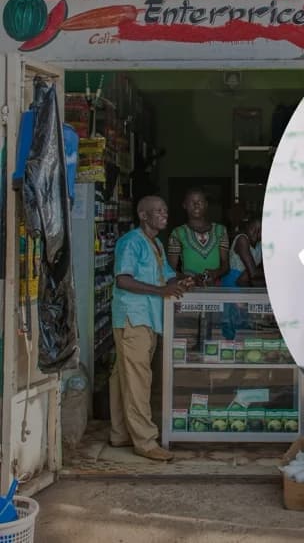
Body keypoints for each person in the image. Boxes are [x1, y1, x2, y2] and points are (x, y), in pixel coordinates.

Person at [110, 196, 193, 461]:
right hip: (134, 318)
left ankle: (120, 433)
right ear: (143, 215)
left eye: (166, 210)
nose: (164, 214)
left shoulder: (155, 243)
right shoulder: (131, 242)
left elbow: (167, 274)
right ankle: (145, 442)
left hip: (147, 318)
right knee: (138, 380)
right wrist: (162, 290)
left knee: (123, 377)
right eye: (158, 211)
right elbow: (123, 280)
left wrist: (183, 280)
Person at [167, 188, 230, 287]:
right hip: (188, 287)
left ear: (206, 204)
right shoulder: (177, 233)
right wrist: (192, 278)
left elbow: (226, 266)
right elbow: (170, 270)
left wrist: (215, 273)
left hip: (215, 289)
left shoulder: (221, 231)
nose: (196, 205)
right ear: (184, 205)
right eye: (192, 202)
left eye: (200, 201)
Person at [222, 218, 264, 287]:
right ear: (247, 227)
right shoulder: (242, 239)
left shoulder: (260, 245)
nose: (255, 233)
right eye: (252, 228)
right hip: (232, 283)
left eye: (260, 230)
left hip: (245, 283)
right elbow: (253, 273)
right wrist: (273, 272)